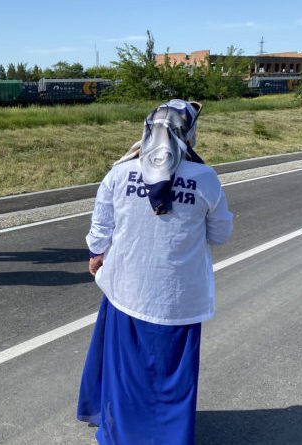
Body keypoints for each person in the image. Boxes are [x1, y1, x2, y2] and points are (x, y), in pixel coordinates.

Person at [77, 99, 233, 444]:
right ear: (189, 134)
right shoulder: (204, 178)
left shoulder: (120, 173)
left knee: (127, 372)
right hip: (178, 297)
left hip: (127, 291)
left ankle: (122, 434)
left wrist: (96, 255)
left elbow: (101, 228)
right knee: (170, 376)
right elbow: (220, 234)